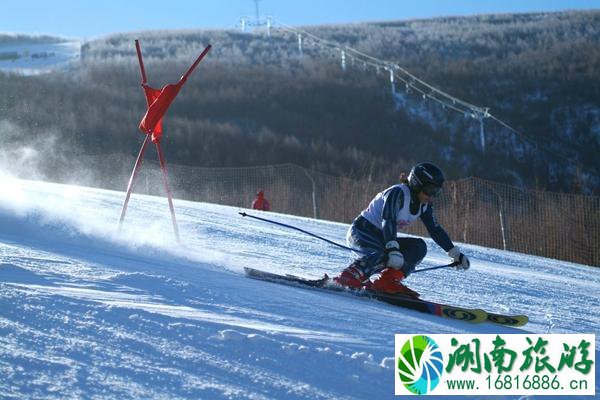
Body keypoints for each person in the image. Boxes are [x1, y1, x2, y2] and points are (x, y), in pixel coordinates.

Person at [334, 162, 470, 297]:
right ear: (417, 184)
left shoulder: (424, 205)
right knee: (384, 253)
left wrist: (454, 252)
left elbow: (435, 230)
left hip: (383, 236)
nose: (431, 196)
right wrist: (393, 248)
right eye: (430, 190)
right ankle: (347, 276)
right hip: (361, 231)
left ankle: (387, 281)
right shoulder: (398, 193)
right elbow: (388, 220)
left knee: (419, 246)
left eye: (436, 192)